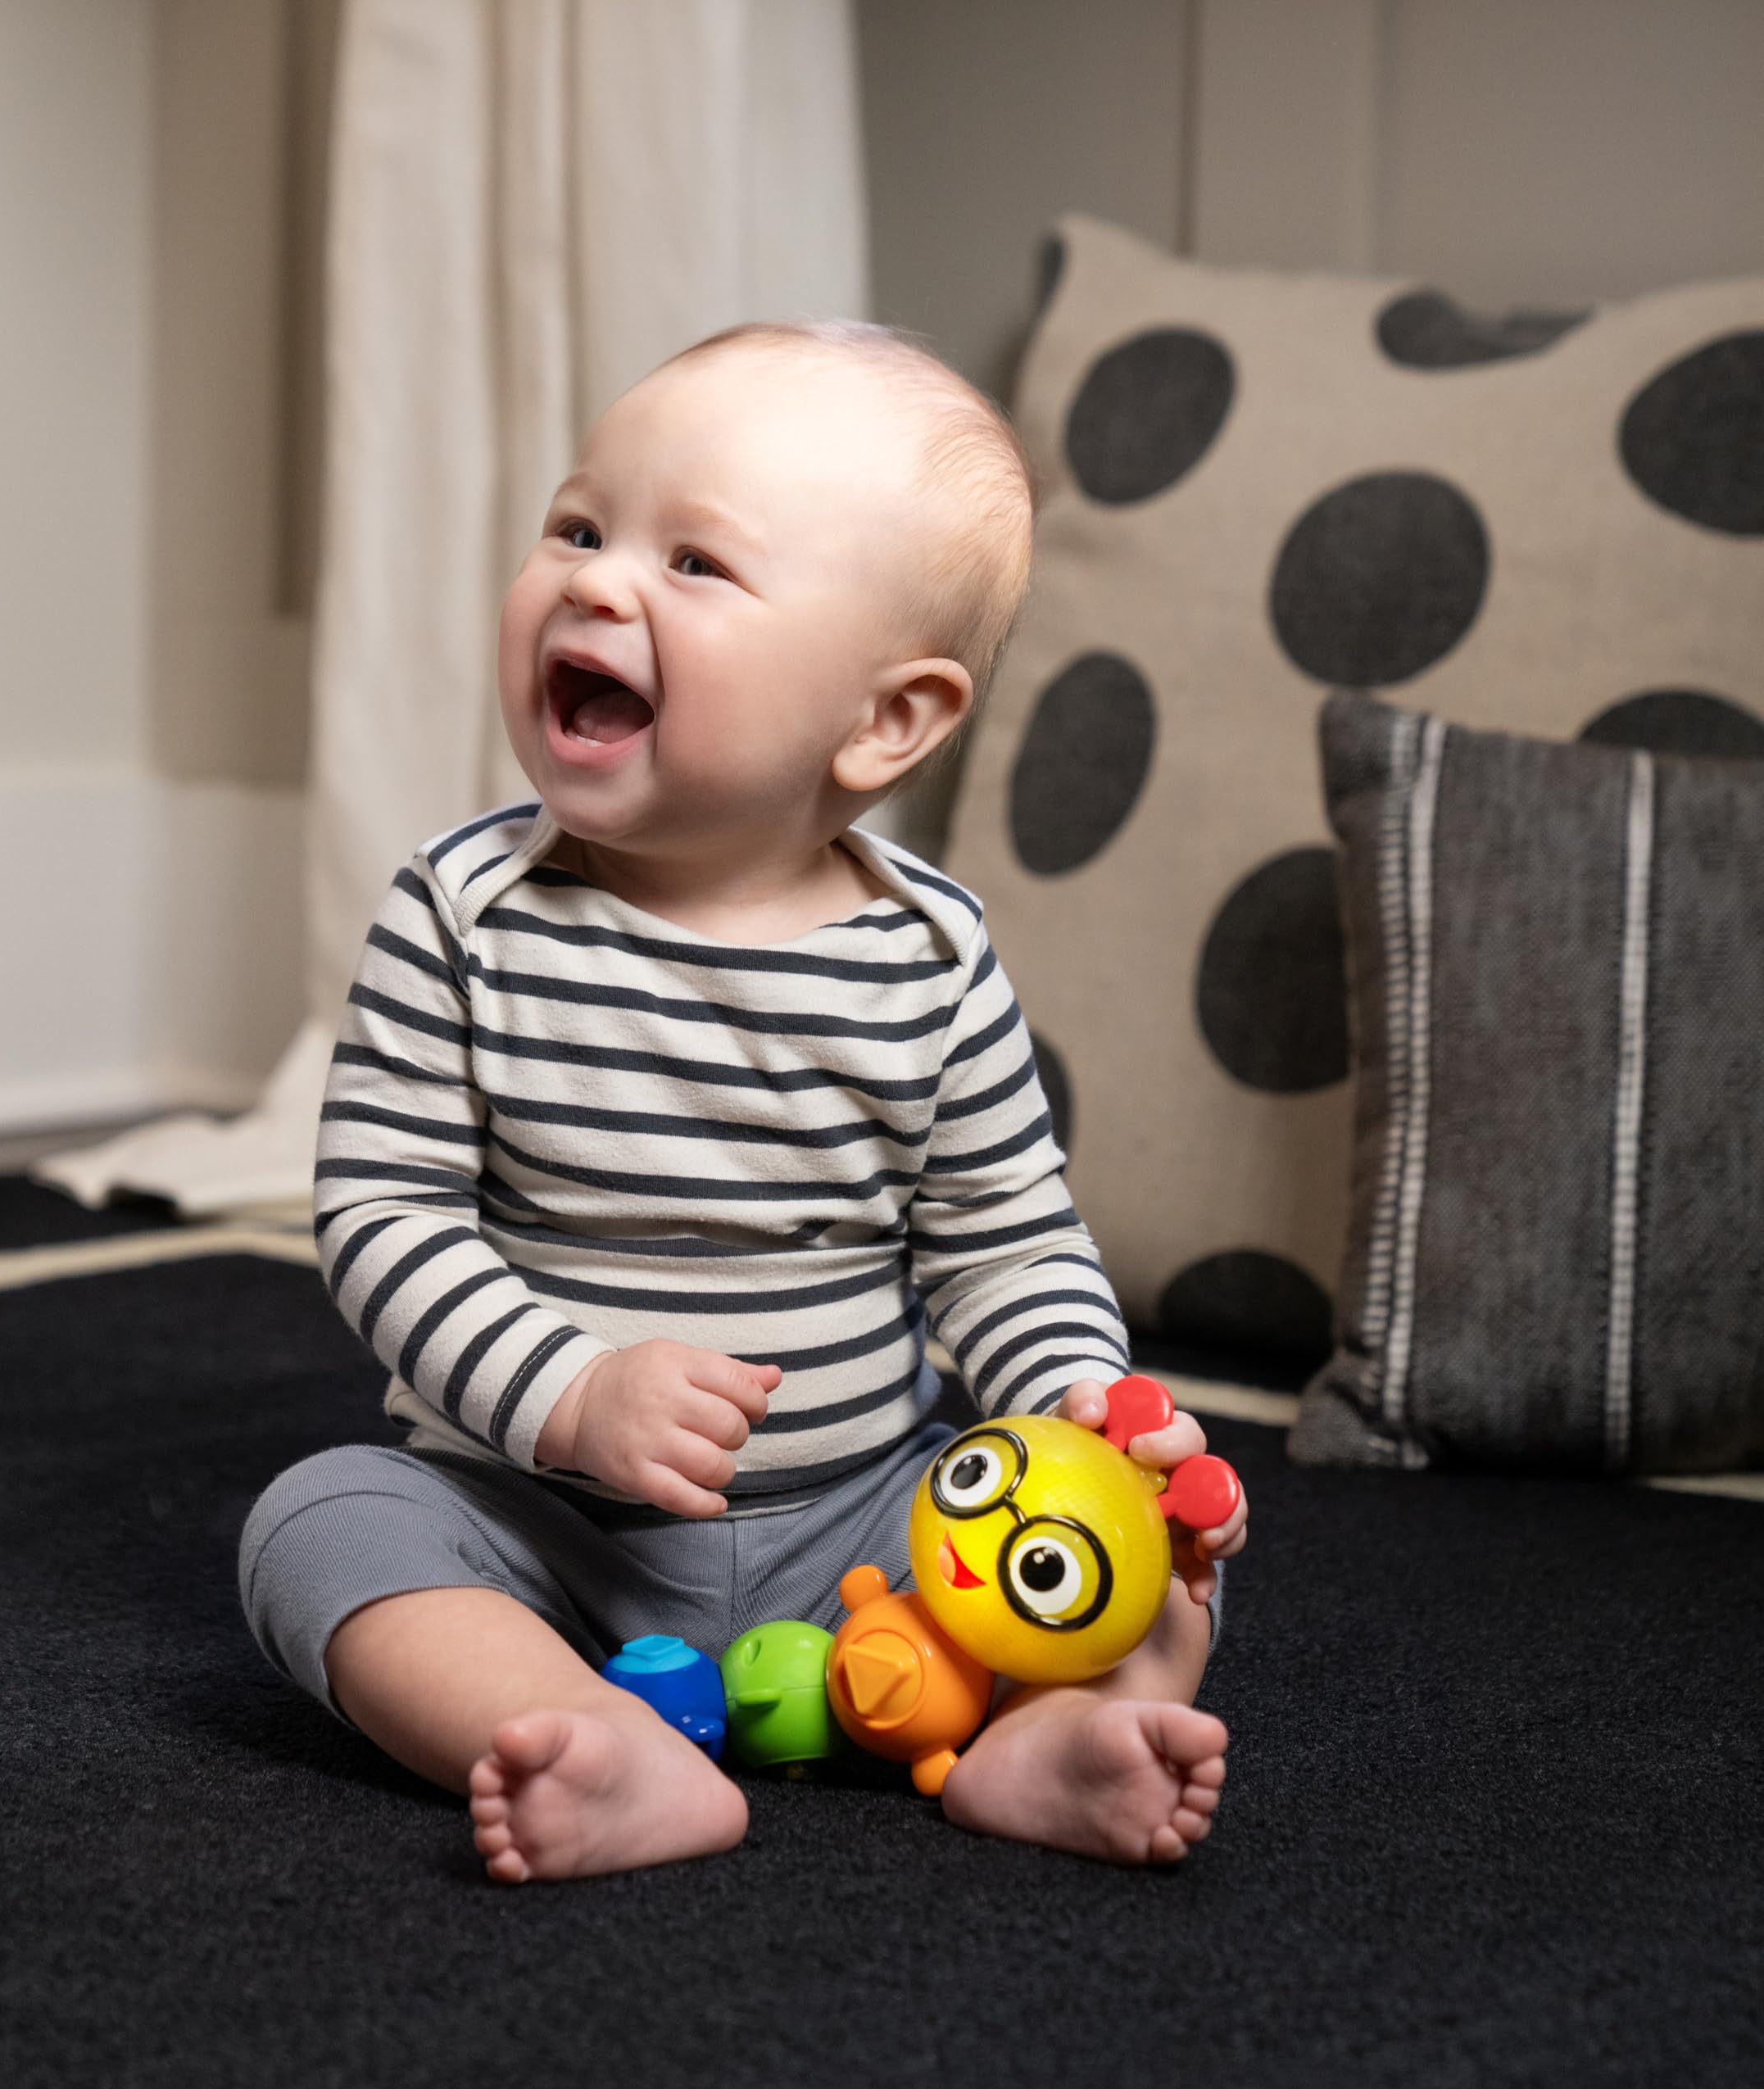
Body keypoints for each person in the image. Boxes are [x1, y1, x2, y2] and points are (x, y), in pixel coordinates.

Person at [239, 321, 1249, 1882]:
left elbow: (1004, 1247)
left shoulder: (929, 957)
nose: (593, 579)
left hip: (874, 1529)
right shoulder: (462, 915)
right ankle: (579, 1730)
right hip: (537, 1520)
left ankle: (1043, 1738)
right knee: (321, 1529)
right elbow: (386, 1219)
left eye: (695, 565)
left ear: (884, 722)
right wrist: (569, 1391)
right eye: (579, 527)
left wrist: (1073, 1410)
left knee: (1159, 1554)